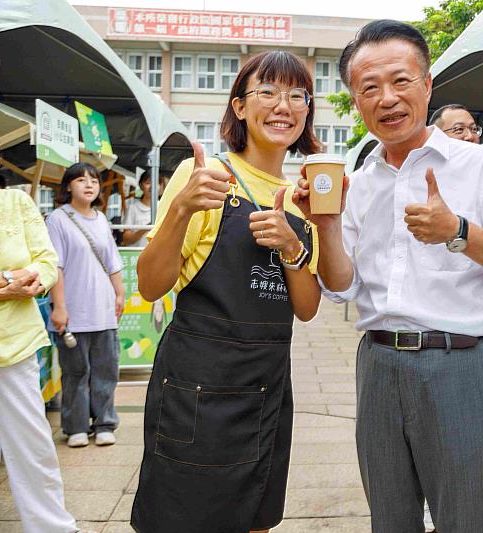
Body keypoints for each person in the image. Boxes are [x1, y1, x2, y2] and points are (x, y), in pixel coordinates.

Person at [294, 20, 483, 533]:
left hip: (463, 366)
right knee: (390, 518)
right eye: (369, 87)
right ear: (355, 99)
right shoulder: (361, 184)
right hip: (379, 364)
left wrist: (458, 231)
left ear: (428, 84)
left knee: (465, 520)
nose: (386, 98)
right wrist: (326, 225)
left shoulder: (477, 165)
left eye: (400, 80)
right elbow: (342, 286)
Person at [130, 50, 322, 533]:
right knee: (181, 518)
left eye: (297, 95)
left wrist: (293, 247)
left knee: (257, 519)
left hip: (269, 385)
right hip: (197, 383)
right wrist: (180, 211)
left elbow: (307, 308)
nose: (284, 106)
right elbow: (152, 287)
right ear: (239, 106)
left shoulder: (305, 195)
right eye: (268, 92)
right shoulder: (207, 177)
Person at [0, 110, 87, 532]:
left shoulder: (16, 202)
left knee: (32, 448)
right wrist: (14, 283)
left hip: (14, 345)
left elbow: (46, 266)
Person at [47, 162, 124, 448]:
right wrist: (60, 307)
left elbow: (113, 262)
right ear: (68, 186)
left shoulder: (101, 219)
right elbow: (55, 266)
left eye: (93, 180)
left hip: (103, 309)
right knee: (76, 372)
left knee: (106, 371)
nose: (89, 185)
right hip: (73, 312)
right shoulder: (58, 219)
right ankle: (76, 426)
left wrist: (119, 293)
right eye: (81, 180)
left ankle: (104, 423)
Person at [122, 171, 154, 247]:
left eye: (156, 183)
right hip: (137, 255)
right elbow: (126, 239)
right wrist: (146, 228)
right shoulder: (133, 208)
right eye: (148, 183)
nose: (152, 186)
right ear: (141, 185)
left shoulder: (163, 206)